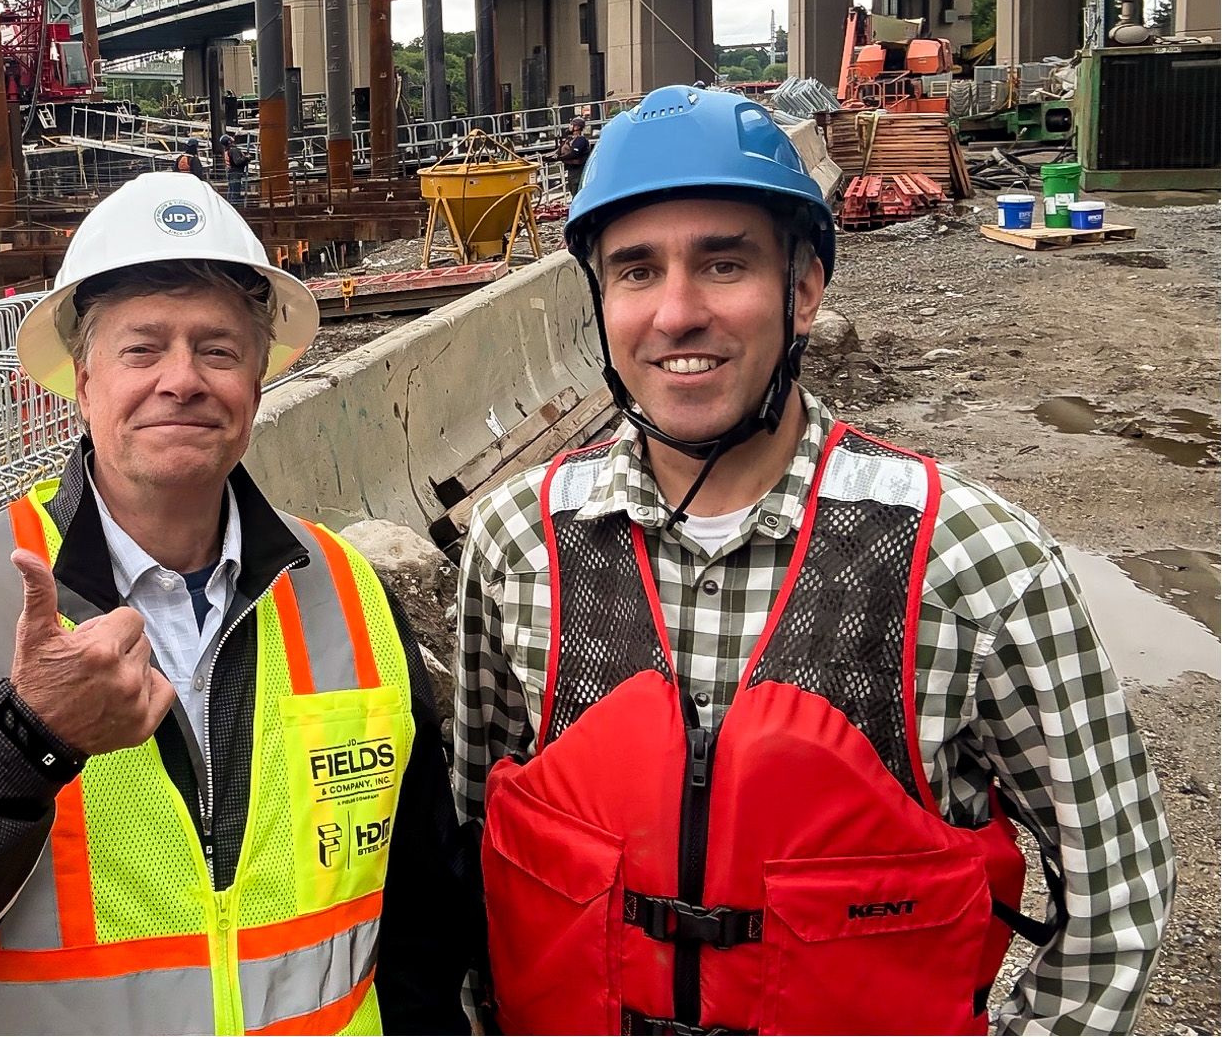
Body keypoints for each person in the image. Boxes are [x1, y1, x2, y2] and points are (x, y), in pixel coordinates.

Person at [455, 85, 1175, 1035]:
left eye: (723, 263)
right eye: (636, 271)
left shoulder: (974, 563)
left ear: (803, 290)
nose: (676, 313)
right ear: (600, 300)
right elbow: (475, 854)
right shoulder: (516, 545)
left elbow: (1116, 902)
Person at [0, 172, 473, 1033]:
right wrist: (17, 743)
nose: (182, 379)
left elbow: (420, 922)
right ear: (83, 380)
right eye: (143, 349)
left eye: (217, 349)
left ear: (259, 376)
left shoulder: (351, 597)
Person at [553, 113, 591, 195]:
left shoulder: (581, 140)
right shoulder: (569, 139)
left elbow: (574, 154)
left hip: (577, 170)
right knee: (571, 188)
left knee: (576, 189)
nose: (569, 126)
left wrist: (560, 158)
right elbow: (560, 149)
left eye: (571, 124)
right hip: (571, 169)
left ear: (577, 127)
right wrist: (553, 156)